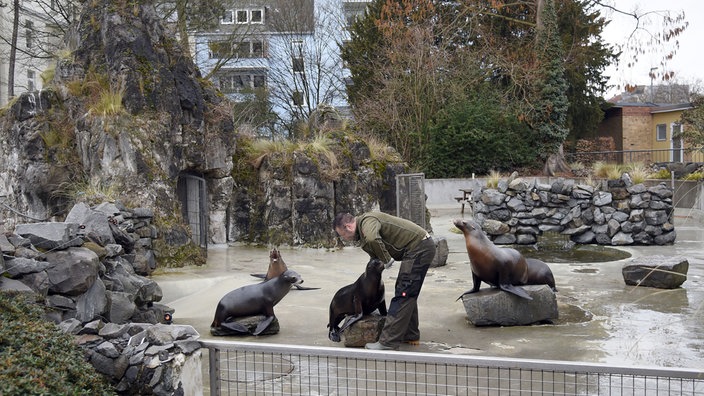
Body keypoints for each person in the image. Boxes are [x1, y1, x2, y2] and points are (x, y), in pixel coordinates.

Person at [333, 211, 436, 350]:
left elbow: (372, 239)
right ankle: (410, 335)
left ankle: (388, 342)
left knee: (404, 293)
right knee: (407, 291)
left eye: (342, 235)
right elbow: (373, 258)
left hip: (419, 248)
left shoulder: (367, 222)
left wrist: (387, 260)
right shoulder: (362, 233)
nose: (343, 238)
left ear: (348, 227)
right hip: (417, 248)